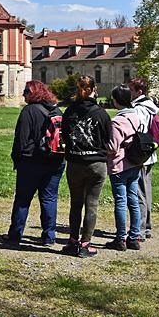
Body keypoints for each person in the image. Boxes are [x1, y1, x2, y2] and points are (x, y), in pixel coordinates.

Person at [4, 80, 65, 247]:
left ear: (33, 93)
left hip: (31, 161)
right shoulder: (56, 109)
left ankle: (15, 234)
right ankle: (49, 236)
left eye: (26, 91)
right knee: (49, 198)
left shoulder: (29, 111)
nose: (23, 94)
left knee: (23, 199)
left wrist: (17, 159)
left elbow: (21, 140)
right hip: (55, 161)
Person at [59, 75, 111, 257]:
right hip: (96, 163)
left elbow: (64, 135)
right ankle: (86, 243)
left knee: (75, 203)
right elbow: (107, 138)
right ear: (94, 90)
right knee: (92, 204)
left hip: (74, 162)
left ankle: (73, 241)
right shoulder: (100, 113)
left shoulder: (69, 111)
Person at [105, 85, 143, 251]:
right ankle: (134, 237)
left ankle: (120, 238)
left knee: (121, 201)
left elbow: (112, 147)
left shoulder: (117, 121)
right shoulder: (136, 116)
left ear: (116, 101)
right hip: (135, 162)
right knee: (133, 200)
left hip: (119, 165)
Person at [129, 77, 159, 240]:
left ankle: (139, 229)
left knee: (139, 192)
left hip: (140, 154)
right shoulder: (151, 107)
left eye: (132, 90)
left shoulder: (140, 109)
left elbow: (138, 128)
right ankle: (146, 226)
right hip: (149, 154)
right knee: (146, 191)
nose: (129, 93)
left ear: (139, 91)